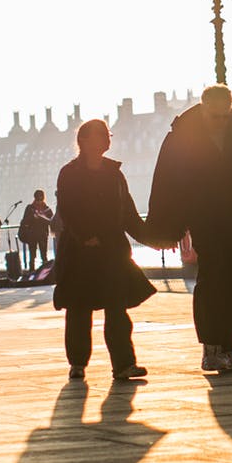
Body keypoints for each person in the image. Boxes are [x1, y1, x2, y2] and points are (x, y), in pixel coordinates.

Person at [148, 84, 232, 374]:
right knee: (213, 276)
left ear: (231, 109)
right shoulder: (182, 137)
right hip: (205, 218)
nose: (219, 122)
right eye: (214, 116)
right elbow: (167, 183)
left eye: (224, 116)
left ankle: (228, 348)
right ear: (204, 108)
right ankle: (211, 347)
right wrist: (169, 226)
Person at [53, 119, 156, 381]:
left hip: (112, 251)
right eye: (102, 135)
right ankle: (77, 363)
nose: (107, 139)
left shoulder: (114, 174)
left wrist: (154, 238)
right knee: (78, 310)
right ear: (84, 140)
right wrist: (85, 236)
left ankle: (124, 364)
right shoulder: (69, 173)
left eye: (108, 135)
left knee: (117, 310)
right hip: (80, 253)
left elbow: (129, 214)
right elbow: (68, 208)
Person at [19, 191, 54, 272]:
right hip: (32, 235)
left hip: (43, 235)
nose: (39, 202)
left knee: (44, 255)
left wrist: (42, 218)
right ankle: (31, 271)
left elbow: (51, 221)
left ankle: (44, 273)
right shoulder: (30, 208)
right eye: (37, 200)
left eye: (40, 200)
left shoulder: (47, 209)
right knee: (32, 255)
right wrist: (33, 217)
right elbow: (25, 221)